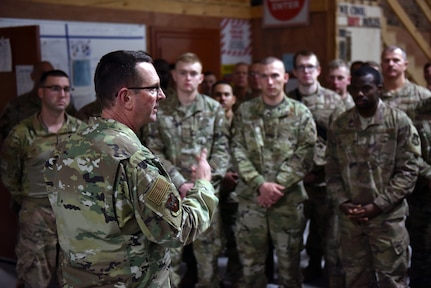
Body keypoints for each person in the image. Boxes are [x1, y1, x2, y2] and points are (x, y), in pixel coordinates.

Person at [43, 50, 219, 287]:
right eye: (154, 88)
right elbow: (179, 230)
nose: (162, 95)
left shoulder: (66, 148)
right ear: (126, 98)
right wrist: (204, 185)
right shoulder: (135, 161)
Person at [326, 65, 421, 287]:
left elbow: (408, 172)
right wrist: (343, 203)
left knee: (392, 281)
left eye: (366, 88)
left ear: (379, 89)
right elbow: (331, 170)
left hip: (386, 219)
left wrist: (378, 206)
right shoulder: (340, 125)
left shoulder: (398, 122)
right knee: (356, 279)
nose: (360, 94)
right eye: (355, 89)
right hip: (351, 221)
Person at [145, 52, 230, 288]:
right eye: (183, 73)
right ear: (174, 75)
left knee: (208, 257)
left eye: (193, 73)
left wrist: (204, 179)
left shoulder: (214, 109)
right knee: (168, 258)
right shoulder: (159, 108)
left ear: (201, 78)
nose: (188, 78)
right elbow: (153, 151)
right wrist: (181, 181)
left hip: (204, 192)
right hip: (169, 191)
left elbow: (223, 150)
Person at [231, 56, 316, 287]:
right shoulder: (245, 111)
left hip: (287, 200)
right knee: (251, 267)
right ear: (258, 78)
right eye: (264, 76)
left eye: (275, 75)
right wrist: (260, 184)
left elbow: (306, 154)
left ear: (286, 78)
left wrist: (277, 185)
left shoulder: (301, 113)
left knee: (290, 267)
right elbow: (237, 150)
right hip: (251, 200)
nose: (270, 81)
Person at [0, 69, 85, 287]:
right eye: (55, 88)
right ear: (41, 93)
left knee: (77, 276)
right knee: (34, 275)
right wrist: (29, 200)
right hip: (37, 215)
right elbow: (9, 173)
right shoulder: (22, 133)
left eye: (66, 89)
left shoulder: (81, 131)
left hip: (74, 214)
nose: (62, 94)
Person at [287, 49, 345, 284]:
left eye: (310, 67)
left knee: (333, 243)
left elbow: (341, 143)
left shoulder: (334, 101)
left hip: (326, 184)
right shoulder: (288, 99)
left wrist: (319, 170)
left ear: (318, 70)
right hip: (295, 184)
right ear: (294, 72)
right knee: (292, 243)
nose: (306, 72)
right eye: (301, 67)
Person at [379, 45, 431, 288]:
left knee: (422, 245)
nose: (391, 64)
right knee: (389, 249)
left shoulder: (422, 98)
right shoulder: (372, 96)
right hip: (383, 184)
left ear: (405, 65)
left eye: (395, 60)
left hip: (418, 185)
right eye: (386, 60)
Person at [0, 61, 77, 142]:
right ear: (32, 76)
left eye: (50, 74)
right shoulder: (16, 105)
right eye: (43, 73)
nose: (47, 77)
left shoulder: (63, 104)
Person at [211, 80, 241, 285]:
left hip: (236, 186)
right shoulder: (208, 121)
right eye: (218, 95)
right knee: (211, 236)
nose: (222, 98)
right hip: (213, 183)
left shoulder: (241, 121)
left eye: (226, 94)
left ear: (233, 98)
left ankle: (235, 273)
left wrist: (234, 174)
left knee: (235, 234)